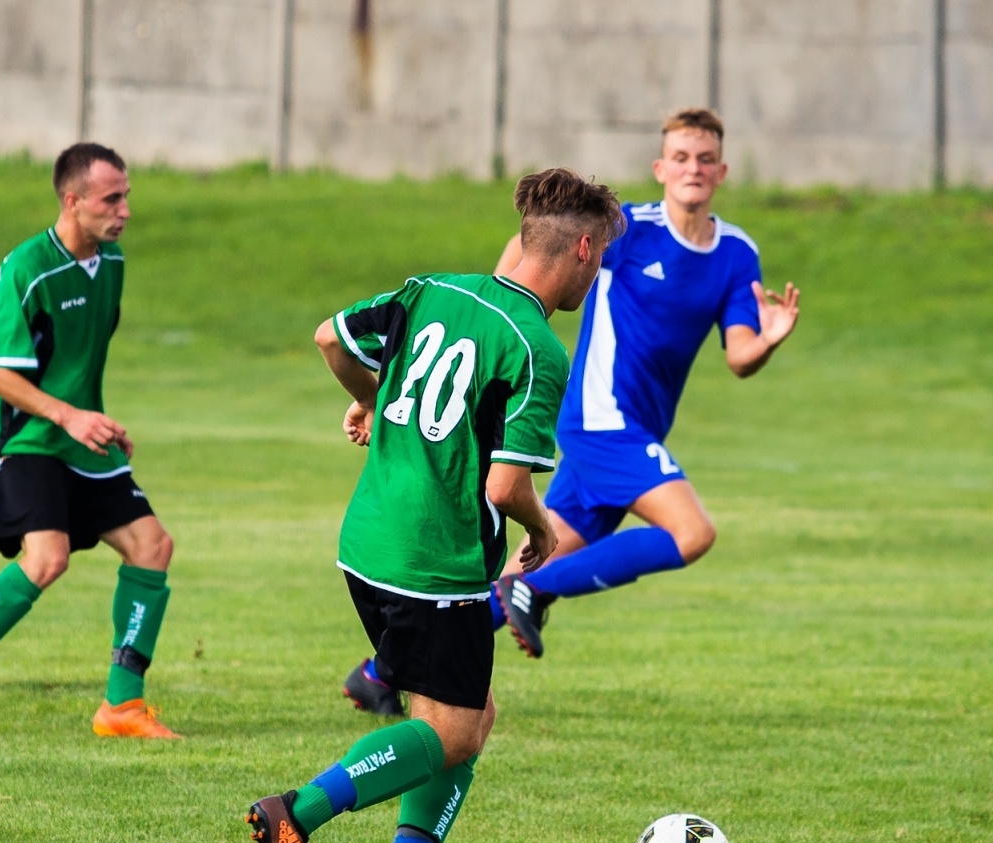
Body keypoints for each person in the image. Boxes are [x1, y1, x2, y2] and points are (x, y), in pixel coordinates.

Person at [247, 169, 623, 843]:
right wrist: (543, 529)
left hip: (368, 542)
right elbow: (505, 487)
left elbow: (330, 336)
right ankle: (296, 813)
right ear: (583, 248)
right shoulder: (537, 349)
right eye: (601, 256)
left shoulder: (432, 289)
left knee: (471, 712)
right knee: (452, 731)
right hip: (435, 562)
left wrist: (368, 398)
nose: (598, 272)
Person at [342, 108, 801, 716]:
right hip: (601, 421)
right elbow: (531, 247)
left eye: (705, 159)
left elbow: (739, 355)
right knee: (692, 533)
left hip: (633, 431)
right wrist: (496, 328)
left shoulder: (737, 253)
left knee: (526, 560)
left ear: (722, 171)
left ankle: (378, 674)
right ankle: (531, 591)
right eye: (681, 157)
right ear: (661, 168)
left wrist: (769, 339)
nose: (693, 168)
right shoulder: (629, 229)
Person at [0, 143, 179, 743]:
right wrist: (69, 416)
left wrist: (93, 421)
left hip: (77, 439)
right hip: (23, 438)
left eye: (127, 196)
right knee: (47, 557)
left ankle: (122, 705)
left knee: (151, 546)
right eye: (112, 199)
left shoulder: (112, 262)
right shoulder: (28, 267)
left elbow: (75, 364)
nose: (125, 210)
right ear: (73, 201)